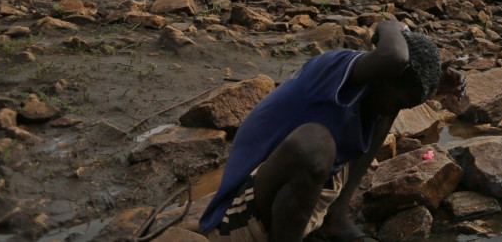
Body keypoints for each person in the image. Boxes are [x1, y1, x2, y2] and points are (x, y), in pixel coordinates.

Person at [198, 21, 464, 242]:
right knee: (314, 143)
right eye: (397, 97)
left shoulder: (377, 87)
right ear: (384, 72)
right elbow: (394, 58)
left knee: (384, 108)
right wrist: (393, 27)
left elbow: (397, 75)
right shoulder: (334, 68)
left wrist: (433, 84)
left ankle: (334, 220)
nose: (394, 108)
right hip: (240, 218)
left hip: (297, 207)